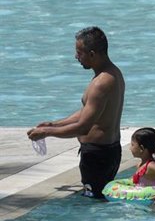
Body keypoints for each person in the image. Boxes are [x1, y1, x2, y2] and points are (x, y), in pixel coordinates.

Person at [28, 26, 126, 200]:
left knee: (94, 205)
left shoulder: (100, 83)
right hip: (107, 152)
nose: (76, 57)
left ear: (92, 54)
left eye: (79, 53)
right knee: (99, 200)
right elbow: (88, 112)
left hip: (97, 156)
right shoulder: (113, 73)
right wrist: (53, 124)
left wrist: (46, 132)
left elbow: (83, 127)